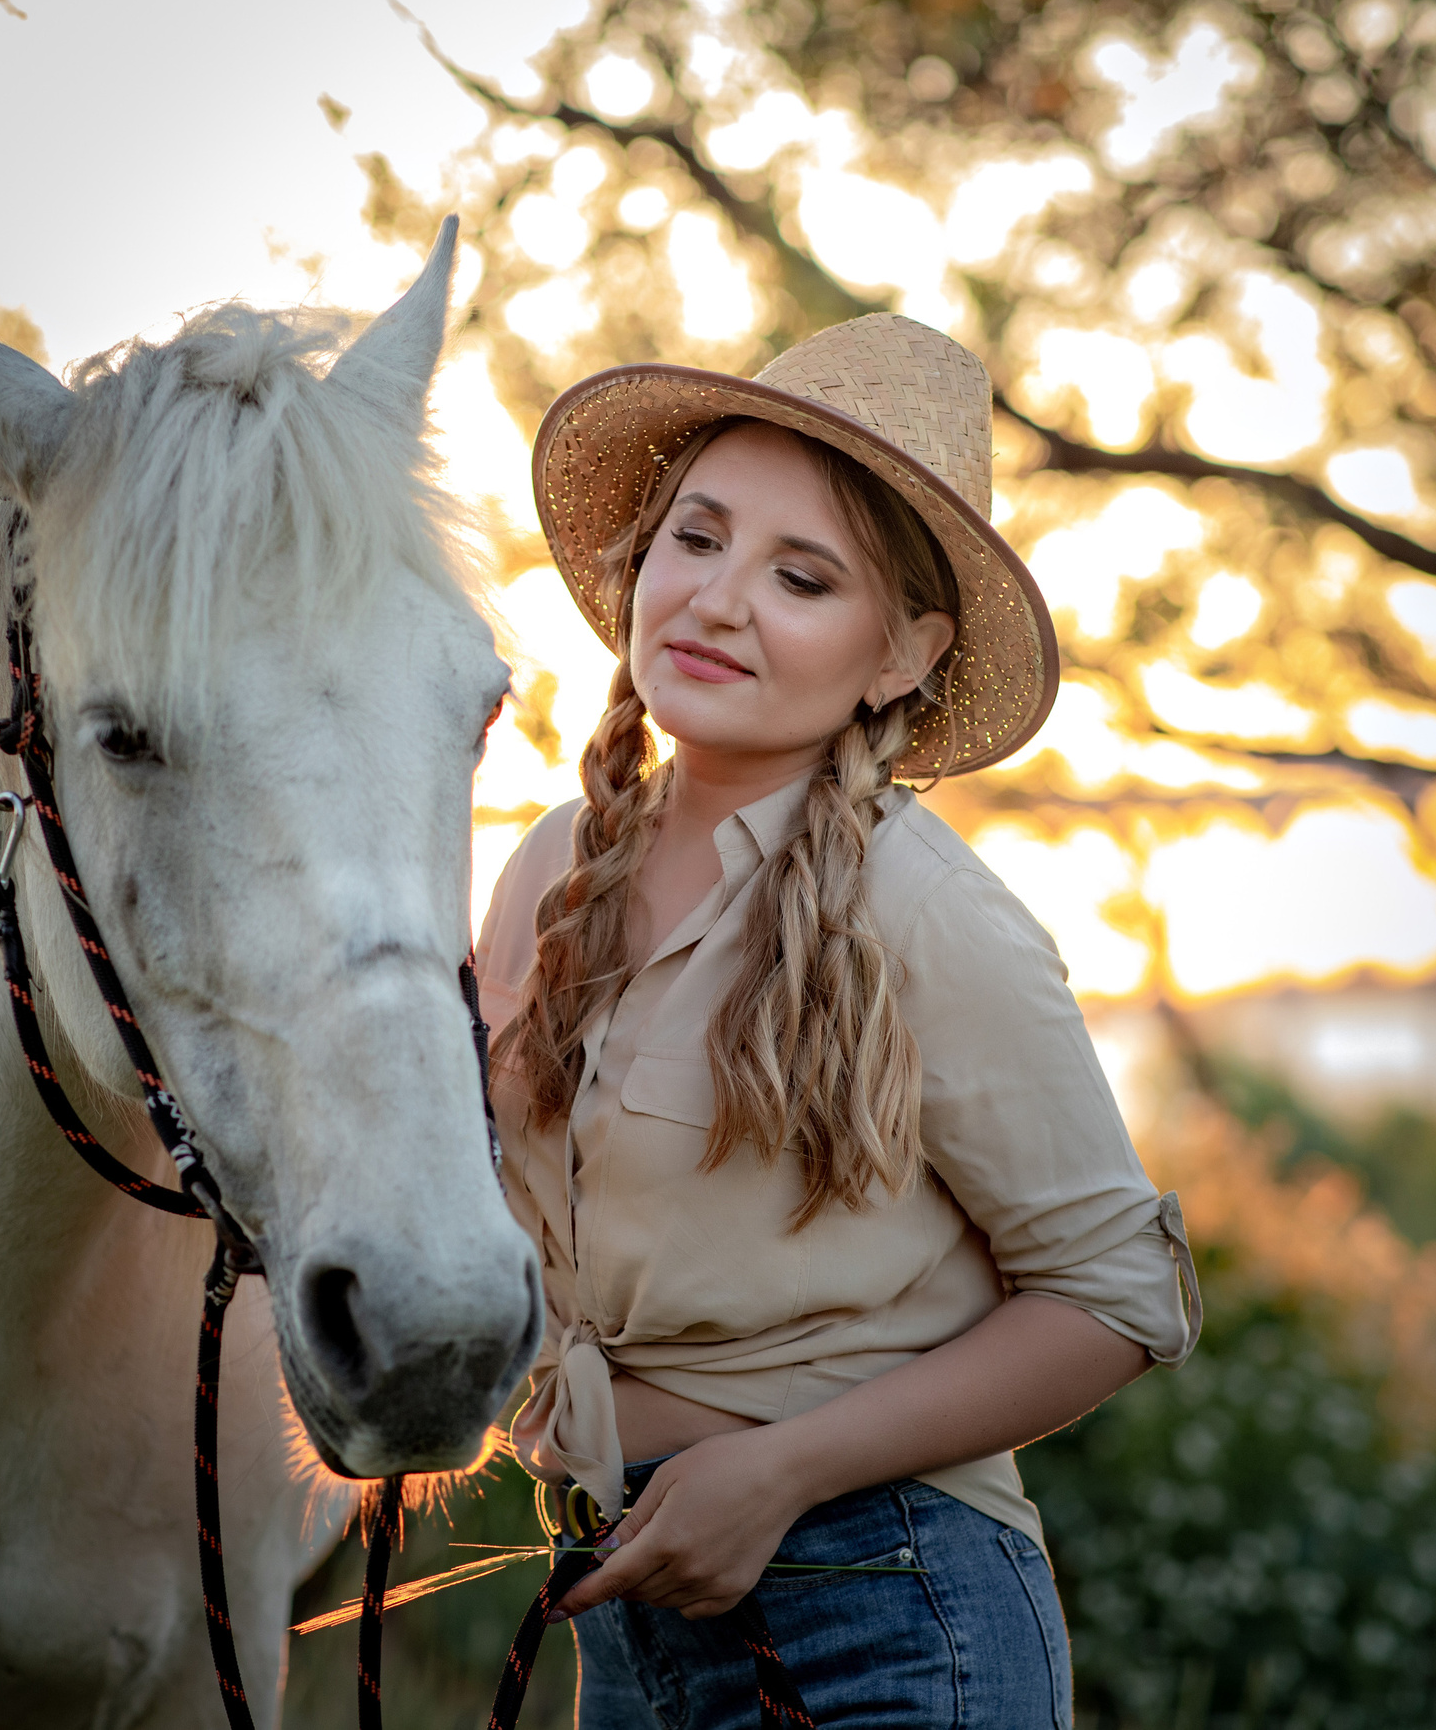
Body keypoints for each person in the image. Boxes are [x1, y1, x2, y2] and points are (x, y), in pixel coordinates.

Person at [474, 315, 1203, 1729]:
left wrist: (784, 1468)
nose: (718, 599)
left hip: (885, 1605)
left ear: (901, 653)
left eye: (801, 576)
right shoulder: (548, 872)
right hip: (620, 1611)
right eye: (697, 538)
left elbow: (1120, 1295)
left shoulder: (927, 914)